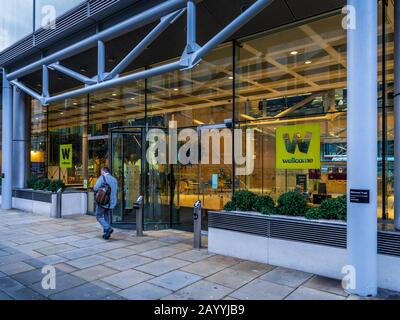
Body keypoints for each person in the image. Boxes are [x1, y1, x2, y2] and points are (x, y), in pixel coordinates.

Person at [93, 167, 118, 240]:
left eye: (101, 171)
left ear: (103, 171)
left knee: (98, 215)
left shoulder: (102, 178)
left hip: (103, 201)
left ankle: (108, 228)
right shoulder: (114, 179)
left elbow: (95, 188)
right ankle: (106, 233)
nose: (101, 173)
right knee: (107, 216)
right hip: (111, 202)